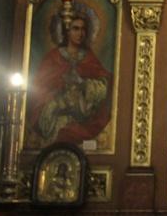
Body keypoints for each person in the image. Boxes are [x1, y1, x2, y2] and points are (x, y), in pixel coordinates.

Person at [28, 11, 112, 146]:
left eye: (83, 29)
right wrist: (58, 96)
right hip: (56, 115)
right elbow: (40, 86)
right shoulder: (53, 57)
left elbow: (104, 83)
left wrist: (83, 83)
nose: (80, 33)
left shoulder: (88, 57)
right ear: (67, 31)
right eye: (75, 29)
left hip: (82, 115)